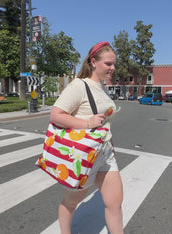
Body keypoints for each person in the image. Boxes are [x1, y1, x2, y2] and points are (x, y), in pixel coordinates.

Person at [50, 41, 123, 234]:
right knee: (70, 203)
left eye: (114, 64)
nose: (113, 68)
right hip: (83, 157)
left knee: (115, 204)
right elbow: (56, 114)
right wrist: (87, 124)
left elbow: (105, 123)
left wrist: (111, 146)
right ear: (93, 62)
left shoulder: (103, 88)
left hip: (105, 154)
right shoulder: (79, 86)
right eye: (108, 64)